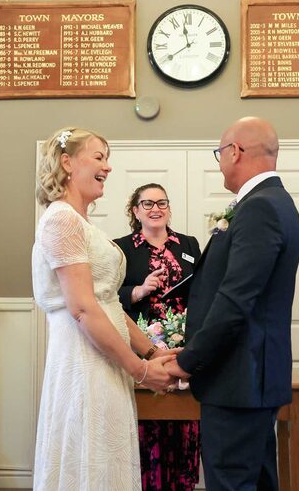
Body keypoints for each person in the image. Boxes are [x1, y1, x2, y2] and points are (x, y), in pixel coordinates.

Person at [31, 127, 176, 491]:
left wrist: (152, 350)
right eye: (99, 157)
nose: (108, 167)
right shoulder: (61, 219)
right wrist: (140, 370)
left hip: (104, 359)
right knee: (90, 462)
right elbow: (81, 309)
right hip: (84, 361)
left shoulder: (80, 223)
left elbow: (106, 301)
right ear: (67, 163)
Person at [165, 117, 299, 491]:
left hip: (239, 379)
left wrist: (188, 361)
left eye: (219, 153)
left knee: (231, 483)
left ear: (235, 152)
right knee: (254, 481)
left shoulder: (260, 207)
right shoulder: (272, 202)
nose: (220, 162)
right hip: (248, 379)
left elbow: (236, 300)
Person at [114, 183, 202, 491]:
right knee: (147, 423)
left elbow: (202, 289)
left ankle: (182, 484)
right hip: (142, 349)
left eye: (161, 202)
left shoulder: (189, 244)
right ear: (135, 211)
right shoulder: (120, 248)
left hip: (183, 348)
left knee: (185, 422)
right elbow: (105, 300)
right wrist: (138, 291)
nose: (155, 209)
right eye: (147, 203)